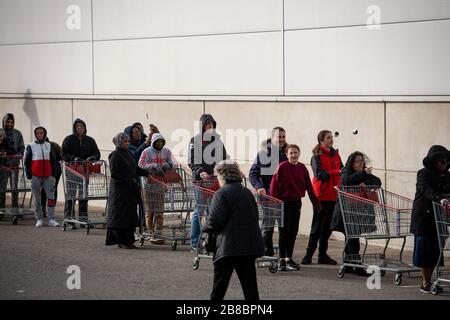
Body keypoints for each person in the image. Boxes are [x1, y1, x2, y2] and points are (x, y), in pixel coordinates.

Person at [202, 160, 264, 300]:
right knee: (251, 290)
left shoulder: (221, 193)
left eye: (217, 176)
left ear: (222, 176)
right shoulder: (247, 192)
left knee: (219, 289)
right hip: (248, 246)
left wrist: (204, 224)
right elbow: (255, 215)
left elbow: (215, 221)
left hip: (228, 248)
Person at [270, 144, 321, 271]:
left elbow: (309, 186)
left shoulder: (302, 168)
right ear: (287, 155)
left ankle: (289, 258)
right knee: (284, 232)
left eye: (295, 152)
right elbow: (274, 186)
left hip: (296, 202)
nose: (293, 155)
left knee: (293, 231)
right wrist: (275, 204)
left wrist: (316, 203)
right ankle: (281, 260)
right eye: (291, 153)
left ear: (299, 153)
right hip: (283, 203)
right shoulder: (282, 167)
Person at [330, 151, 382, 276]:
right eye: (358, 161)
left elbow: (377, 181)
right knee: (353, 237)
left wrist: (365, 182)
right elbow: (346, 182)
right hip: (346, 211)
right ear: (352, 162)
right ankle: (356, 266)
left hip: (358, 211)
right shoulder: (346, 172)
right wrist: (363, 174)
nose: (361, 163)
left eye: (362, 161)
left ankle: (349, 264)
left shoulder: (365, 173)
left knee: (352, 236)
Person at [411, 145, 450, 293]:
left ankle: (430, 279)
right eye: (440, 161)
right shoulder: (423, 173)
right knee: (425, 249)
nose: (443, 164)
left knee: (436, 250)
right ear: (434, 162)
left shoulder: (447, 175)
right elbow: (426, 189)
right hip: (424, 216)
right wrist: (440, 198)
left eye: (446, 161)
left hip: (440, 216)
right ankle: (425, 281)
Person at [302, 130, 343, 265]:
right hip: (321, 196)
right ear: (321, 141)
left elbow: (343, 171)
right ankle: (308, 256)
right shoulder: (316, 156)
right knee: (317, 227)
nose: (331, 140)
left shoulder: (336, 155)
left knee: (328, 228)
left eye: (332, 137)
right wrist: (336, 172)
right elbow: (320, 175)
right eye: (328, 138)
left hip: (334, 196)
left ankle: (322, 255)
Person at [188, 114, 229, 251]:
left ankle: (211, 241)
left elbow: (224, 158)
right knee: (199, 209)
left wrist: (232, 168)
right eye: (208, 124)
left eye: (212, 124)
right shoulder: (195, 140)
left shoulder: (217, 141)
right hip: (200, 180)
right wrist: (201, 171)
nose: (210, 127)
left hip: (214, 180)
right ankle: (195, 241)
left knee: (213, 210)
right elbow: (192, 161)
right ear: (202, 126)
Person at [249, 127, 288, 257]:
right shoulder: (263, 154)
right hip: (268, 197)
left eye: (283, 137)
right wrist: (259, 187)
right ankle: (267, 255)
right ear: (272, 138)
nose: (282, 139)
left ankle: (284, 258)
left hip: (284, 198)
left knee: (284, 229)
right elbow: (253, 174)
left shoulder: (287, 153)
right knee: (268, 228)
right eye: (279, 137)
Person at [106, 133, 146, 249]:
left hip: (130, 189)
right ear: (119, 143)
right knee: (121, 216)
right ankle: (122, 241)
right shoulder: (115, 155)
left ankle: (128, 240)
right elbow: (114, 173)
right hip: (119, 191)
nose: (127, 143)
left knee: (129, 215)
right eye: (125, 142)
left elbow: (135, 168)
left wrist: (146, 173)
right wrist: (127, 181)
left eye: (128, 141)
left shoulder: (128, 154)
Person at [61, 119, 100, 227]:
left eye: (81, 126)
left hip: (84, 171)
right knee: (71, 196)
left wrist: (92, 158)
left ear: (85, 128)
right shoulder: (68, 140)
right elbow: (63, 154)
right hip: (72, 171)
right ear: (74, 128)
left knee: (83, 196)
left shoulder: (90, 140)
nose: (80, 128)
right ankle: (69, 220)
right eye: (77, 126)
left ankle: (83, 220)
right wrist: (74, 158)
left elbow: (97, 153)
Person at [138, 132, 174, 244]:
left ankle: (158, 232)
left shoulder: (166, 151)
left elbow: (171, 163)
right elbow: (140, 165)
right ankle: (149, 232)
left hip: (160, 184)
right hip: (148, 184)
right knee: (149, 210)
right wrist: (153, 166)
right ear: (153, 142)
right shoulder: (146, 152)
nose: (159, 143)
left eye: (161, 141)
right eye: (157, 141)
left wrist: (168, 165)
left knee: (159, 210)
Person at [24, 127, 60, 227]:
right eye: (38, 133)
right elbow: (26, 161)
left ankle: (51, 219)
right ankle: (39, 219)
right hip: (35, 176)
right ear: (35, 134)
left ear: (45, 134)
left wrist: (54, 174)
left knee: (51, 197)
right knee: (37, 199)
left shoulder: (49, 145)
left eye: (42, 133)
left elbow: (53, 160)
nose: (40, 135)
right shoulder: (31, 146)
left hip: (48, 176)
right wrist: (29, 175)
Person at [1, 113, 25, 208]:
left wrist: (17, 156)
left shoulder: (17, 133)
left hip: (14, 165)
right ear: (4, 122)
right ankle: (1, 210)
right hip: (2, 166)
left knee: (14, 188)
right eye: (8, 122)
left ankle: (15, 209)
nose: (10, 124)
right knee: (2, 188)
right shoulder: (0, 132)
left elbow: (22, 148)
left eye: (11, 122)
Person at [41, 137, 62, 218]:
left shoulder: (54, 146)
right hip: (44, 170)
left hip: (55, 170)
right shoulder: (36, 147)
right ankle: (43, 209)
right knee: (43, 189)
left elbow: (61, 155)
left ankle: (51, 209)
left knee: (52, 190)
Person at [0, 129, 15, 208]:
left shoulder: (5, 141)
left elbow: (13, 150)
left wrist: (6, 152)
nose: (0, 139)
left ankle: (2, 210)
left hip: (3, 170)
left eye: (1, 137)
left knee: (2, 190)